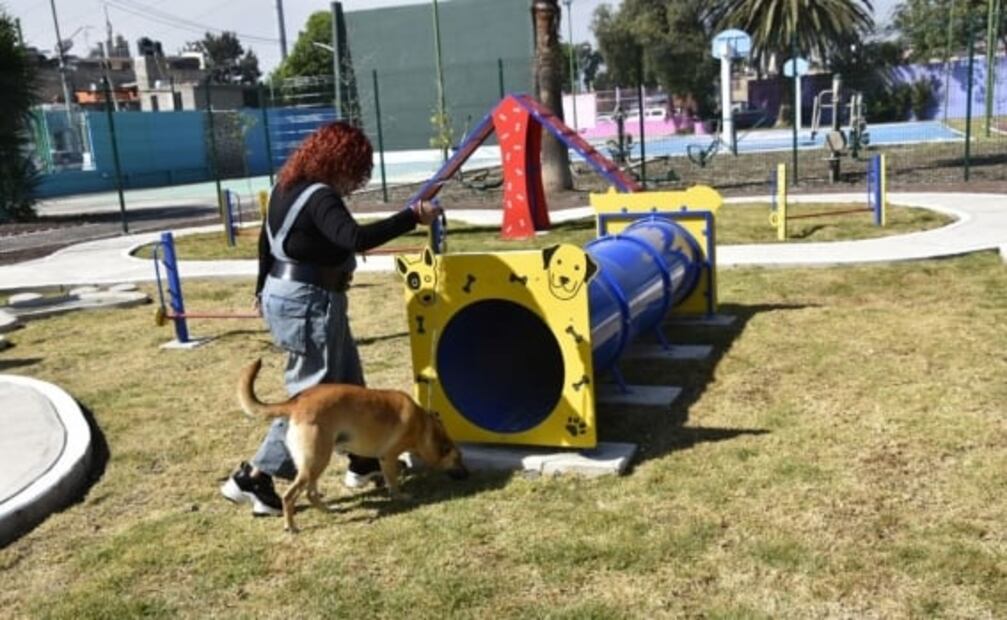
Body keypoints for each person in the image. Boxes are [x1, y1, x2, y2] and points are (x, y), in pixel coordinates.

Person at [221, 121, 441, 516]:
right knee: (315, 397)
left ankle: (363, 462)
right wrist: (412, 218)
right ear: (340, 161)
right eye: (356, 171)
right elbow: (355, 239)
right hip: (309, 300)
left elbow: (265, 246)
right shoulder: (321, 196)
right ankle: (255, 478)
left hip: (292, 293)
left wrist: (260, 290)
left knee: (349, 385)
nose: (356, 182)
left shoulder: (284, 189)